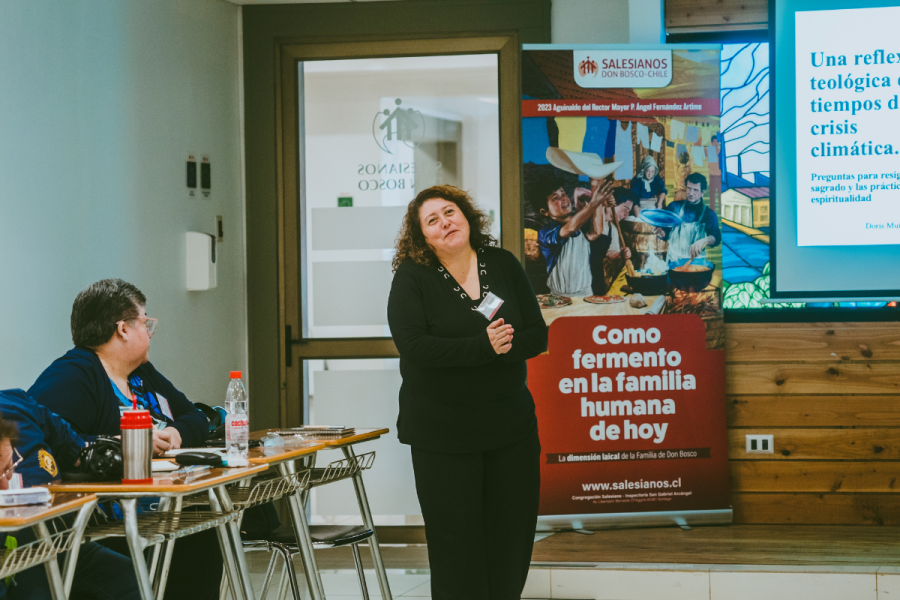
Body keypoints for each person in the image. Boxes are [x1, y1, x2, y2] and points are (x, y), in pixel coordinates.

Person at [387, 185, 548, 600]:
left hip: (510, 431)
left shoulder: (502, 262)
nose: (445, 223)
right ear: (422, 236)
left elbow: (537, 335)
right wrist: (483, 347)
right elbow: (414, 346)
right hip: (443, 436)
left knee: (511, 540)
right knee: (456, 546)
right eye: (432, 220)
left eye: (450, 212)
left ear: (467, 216)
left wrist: (504, 344)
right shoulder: (413, 276)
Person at [28, 279, 222, 600]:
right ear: (123, 329)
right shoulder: (74, 375)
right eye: (146, 322)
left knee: (205, 536)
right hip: (100, 523)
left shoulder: (141, 373)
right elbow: (46, 443)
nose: (149, 333)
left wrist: (173, 434)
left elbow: (195, 416)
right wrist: (127, 441)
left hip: (154, 509)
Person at [0, 389, 140, 600]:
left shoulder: (16, 403)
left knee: (131, 580)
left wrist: (87, 456)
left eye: (9, 467)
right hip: (15, 549)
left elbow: (68, 440)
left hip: (61, 536)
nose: (5, 483)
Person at [530, 173, 618, 297]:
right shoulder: (546, 232)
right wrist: (595, 202)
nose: (564, 199)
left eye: (564, 194)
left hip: (586, 295)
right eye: (556, 198)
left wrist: (596, 189)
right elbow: (570, 228)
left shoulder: (581, 225)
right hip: (559, 297)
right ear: (544, 211)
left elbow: (596, 232)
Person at [658, 172, 722, 263]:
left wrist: (705, 240)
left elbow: (716, 237)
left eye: (695, 190)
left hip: (697, 264)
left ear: (702, 193)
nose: (691, 193)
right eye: (689, 188)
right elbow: (665, 232)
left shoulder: (709, 214)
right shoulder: (674, 207)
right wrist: (661, 233)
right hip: (673, 261)